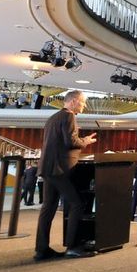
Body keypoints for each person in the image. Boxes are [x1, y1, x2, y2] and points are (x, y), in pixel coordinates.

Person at [35, 90, 98, 260]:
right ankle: (72, 247)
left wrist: (80, 138)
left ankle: (41, 250)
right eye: (82, 102)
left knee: (48, 208)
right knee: (76, 204)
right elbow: (70, 142)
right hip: (59, 169)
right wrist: (85, 141)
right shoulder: (69, 116)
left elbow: (61, 141)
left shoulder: (53, 118)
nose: (84, 105)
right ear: (73, 102)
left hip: (48, 168)